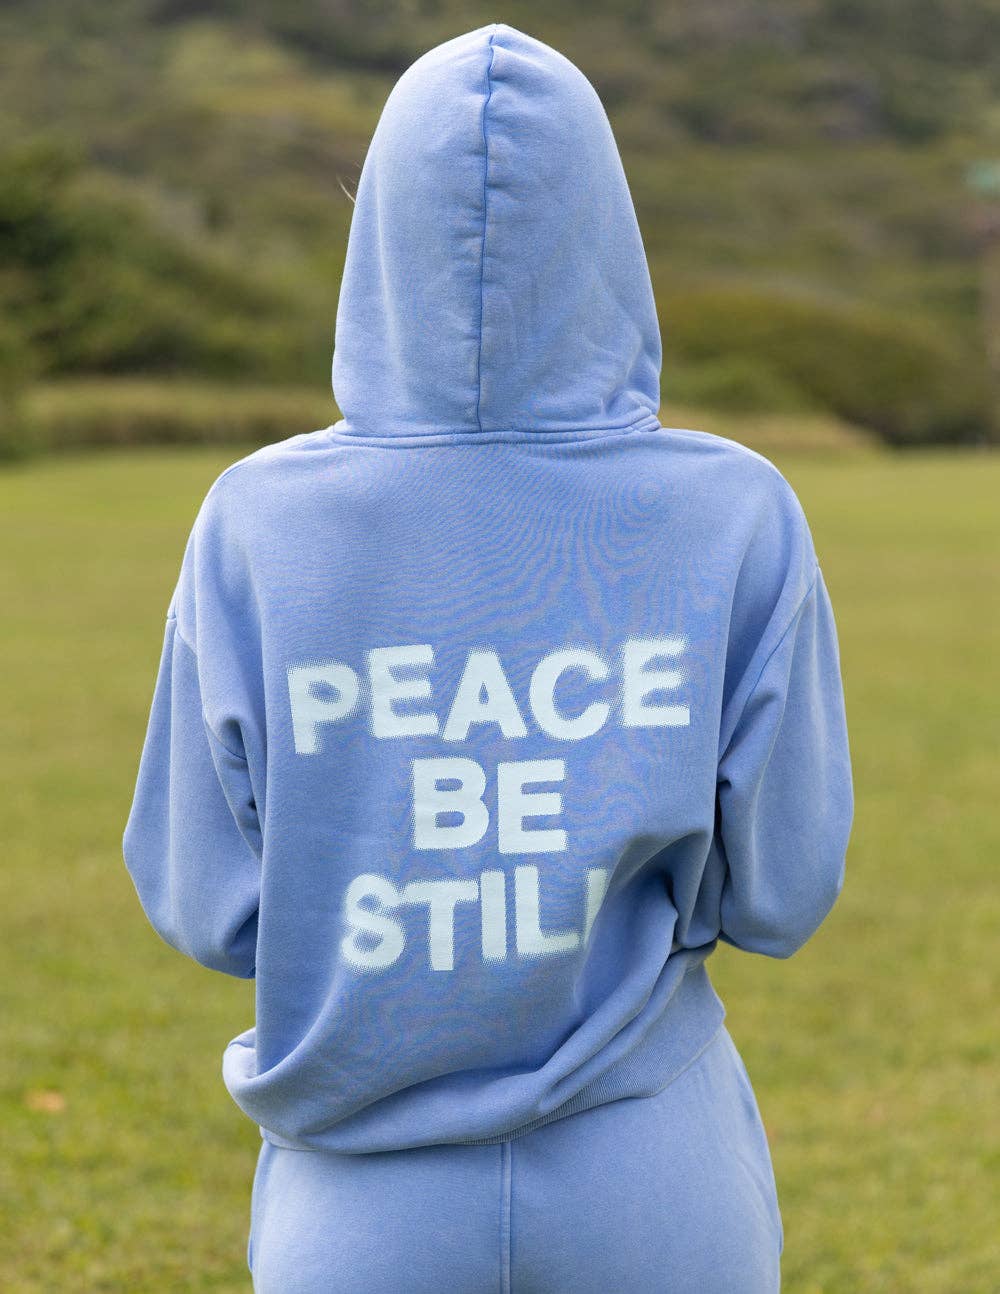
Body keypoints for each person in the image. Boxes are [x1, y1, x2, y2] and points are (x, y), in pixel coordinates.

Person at [121, 21, 853, 1293]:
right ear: (604, 229)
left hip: (358, 1195)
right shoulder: (735, 506)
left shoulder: (255, 516)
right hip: (651, 1165)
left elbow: (211, 904)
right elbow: (781, 888)